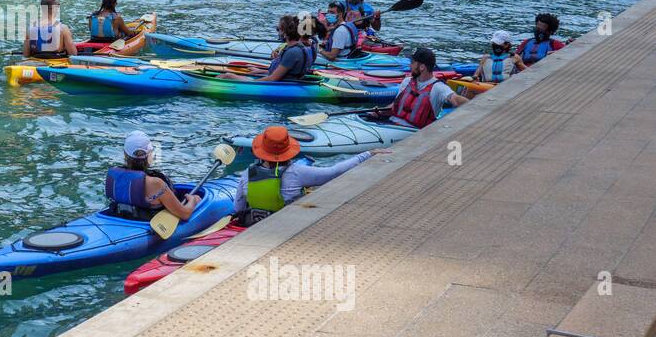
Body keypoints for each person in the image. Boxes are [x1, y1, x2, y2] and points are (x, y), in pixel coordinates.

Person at [232, 125, 381, 227]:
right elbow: (334, 172)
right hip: (286, 224)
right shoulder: (298, 172)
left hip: (256, 222)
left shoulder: (247, 173)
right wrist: (367, 154)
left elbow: (238, 207)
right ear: (288, 149)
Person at [105, 131, 200, 223]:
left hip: (117, 218)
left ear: (125, 154)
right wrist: (193, 200)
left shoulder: (112, 174)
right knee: (197, 199)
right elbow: (185, 214)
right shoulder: (155, 183)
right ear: (150, 154)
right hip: (144, 225)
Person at [364, 47, 467, 129]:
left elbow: (456, 100)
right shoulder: (407, 81)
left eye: (413, 63)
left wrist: (478, 106)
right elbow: (395, 105)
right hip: (391, 123)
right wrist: (380, 112)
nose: (410, 65)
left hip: (413, 131)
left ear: (422, 67)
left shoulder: (438, 88)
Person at [260, 14, 315, 82]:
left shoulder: (292, 52)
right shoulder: (301, 47)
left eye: (278, 29)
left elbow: (273, 78)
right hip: (291, 82)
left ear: (285, 32)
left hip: (283, 86)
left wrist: (246, 82)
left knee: (243, 78)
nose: (278, 33)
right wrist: (260, 71)